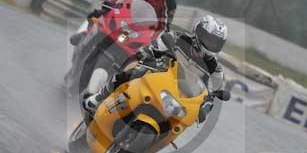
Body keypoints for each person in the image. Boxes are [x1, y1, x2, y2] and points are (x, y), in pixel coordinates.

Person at [83, 15, 228, 122]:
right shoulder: (178, 38)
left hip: (180, 97)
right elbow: (154, 48)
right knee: (136, 69)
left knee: (185, 119)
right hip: (158, 74)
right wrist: (147, 55)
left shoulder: (215, 70)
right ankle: (98, 98)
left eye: (215, 42)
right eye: (208, 39)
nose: (210, 44)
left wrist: (204, 110)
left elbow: (212, 95)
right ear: (198, 32)